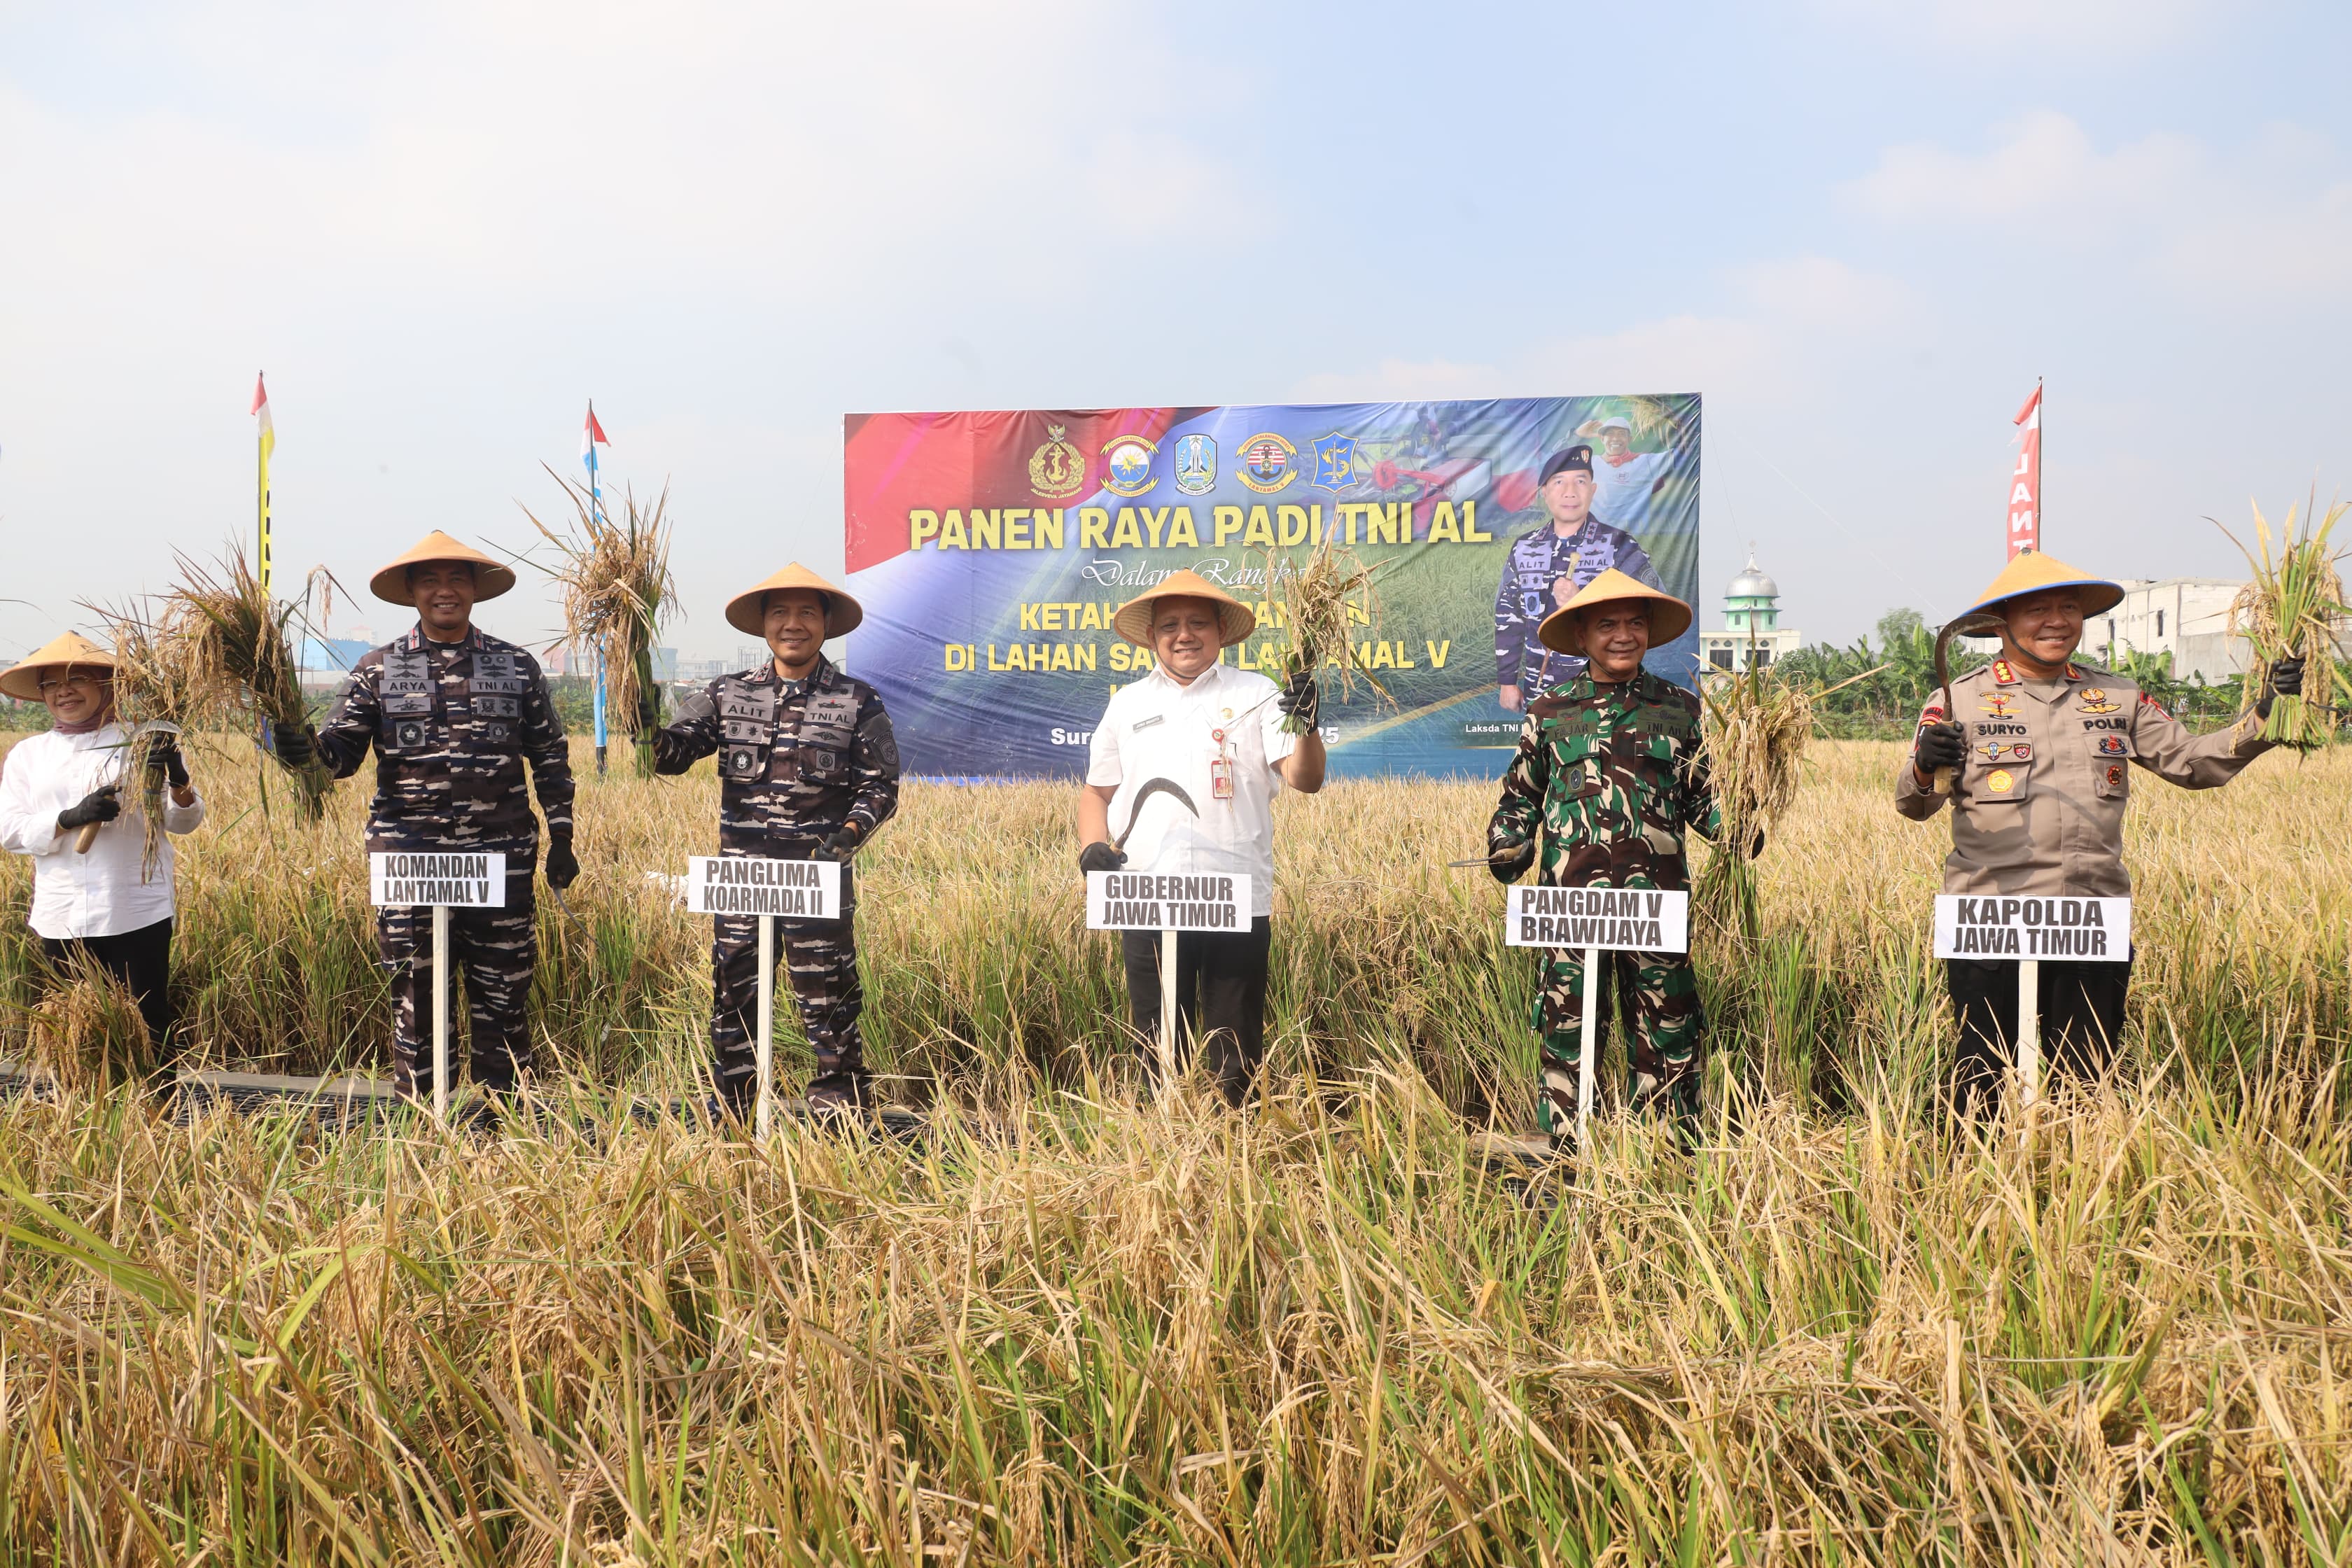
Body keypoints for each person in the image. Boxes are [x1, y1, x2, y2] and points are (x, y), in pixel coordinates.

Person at [1898, 551, 2302, 1120]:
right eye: (2038, 608)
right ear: (2003, 623)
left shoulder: (2117, 697)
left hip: (2088, 917)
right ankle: (1971, 1192)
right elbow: (1915, 803)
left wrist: (2266, 715)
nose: (2057, 620)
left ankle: (2075, 1191)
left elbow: (2192, 762)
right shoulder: (1957, 699)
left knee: (2086, 1079)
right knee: (1982, 1077)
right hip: (1989, 919)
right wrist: (1924, 763)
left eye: (2069, 607)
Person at [272, 532, 575, 1107]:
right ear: (412, 591)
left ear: (476, 590)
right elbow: (338, 757)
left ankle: (502, 1131)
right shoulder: (377, 670)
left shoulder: (516, 666)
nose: (445, 591)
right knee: (416, 1001)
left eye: (457, 579)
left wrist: (562, 835)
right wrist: (297, 747)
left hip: (500, 864)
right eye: (431, 580)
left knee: (503, 1002)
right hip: (411, 863)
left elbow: (551, 757)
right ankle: (426, 1135)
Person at [1486, 568, 1731, 1153]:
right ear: (1582, 633)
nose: (1624, 635)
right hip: (1572, 911)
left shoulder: (1680, 711)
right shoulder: (1549, 714)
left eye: (1635, 623)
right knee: (1568, 1032)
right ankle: (1569, 1155)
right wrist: (1507, 845)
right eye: (1608, 625)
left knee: (1667, 1029)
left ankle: (1667, 1156)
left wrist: (1742, 825)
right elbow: (1520, 799)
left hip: (1656, 908)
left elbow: (1705, 799)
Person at [647, 564, 899, 1117]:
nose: (793, 624)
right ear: (764, 625)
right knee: (733, 1002)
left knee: (830, 1004)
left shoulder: (858, 700)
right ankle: (734, 1120)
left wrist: (848, 835)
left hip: (816, 881)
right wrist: (638, 704)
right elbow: (668, 756)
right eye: (781, 612)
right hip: (743, 884)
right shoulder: (727, 693)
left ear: (826, 623)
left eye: (807, 612)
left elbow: (880, 788)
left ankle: (840, 1122)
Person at [1077, 569, 1324, 1104]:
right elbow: (1096, 794)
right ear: (1152, 638)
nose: (1183, 635)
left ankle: (1235, 1154)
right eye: (1170, 626)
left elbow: (1305, 780)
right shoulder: (1128, 704)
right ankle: (1161, 1151)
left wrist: (1307, 727)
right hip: (1147, 892)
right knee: (1157, 1038)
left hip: (1232, 893)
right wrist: (1091, 845)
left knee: (1233, 1043)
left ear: (1219, 631)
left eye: (1196, 623)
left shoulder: (1258, 694)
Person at [0, 631, 204, 1082]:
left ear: (108, 686)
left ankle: (155, 1121)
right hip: (61, 913)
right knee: (72, 1027)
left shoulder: (144, 744)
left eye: (77, 679)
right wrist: (68, 818)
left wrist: (177, 778)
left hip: (133, 907)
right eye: (51, 685)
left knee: (146, 1025)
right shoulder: (29, 756)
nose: (63, 691)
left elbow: (182, 822)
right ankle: (79, 1121)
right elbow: (9, 829)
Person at [1495, 444, 1663, 712]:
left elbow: (1655, 607)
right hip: (1540, 697)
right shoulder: (1524, 547)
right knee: (1540, 755)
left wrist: (1583, 601)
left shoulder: (1618, 545)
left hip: (1604, 698)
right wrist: (1507, 681)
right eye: (1559, 482)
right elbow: (1508, 616)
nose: (1570, 492)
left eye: (1580, 481)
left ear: (1593, 490)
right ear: (1545, 493)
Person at [1575, 413, 1681, 534]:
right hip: (1592, 535)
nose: (1615, 438)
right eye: (1610, 433)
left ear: (1629, 439)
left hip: (1631, 539)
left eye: (1621, 434)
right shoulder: (1590, 463)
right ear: (1602, 438)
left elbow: (1684, 452)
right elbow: (1556, 461)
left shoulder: (1644, 462)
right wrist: (1577, 435)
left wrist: (1679, 423)